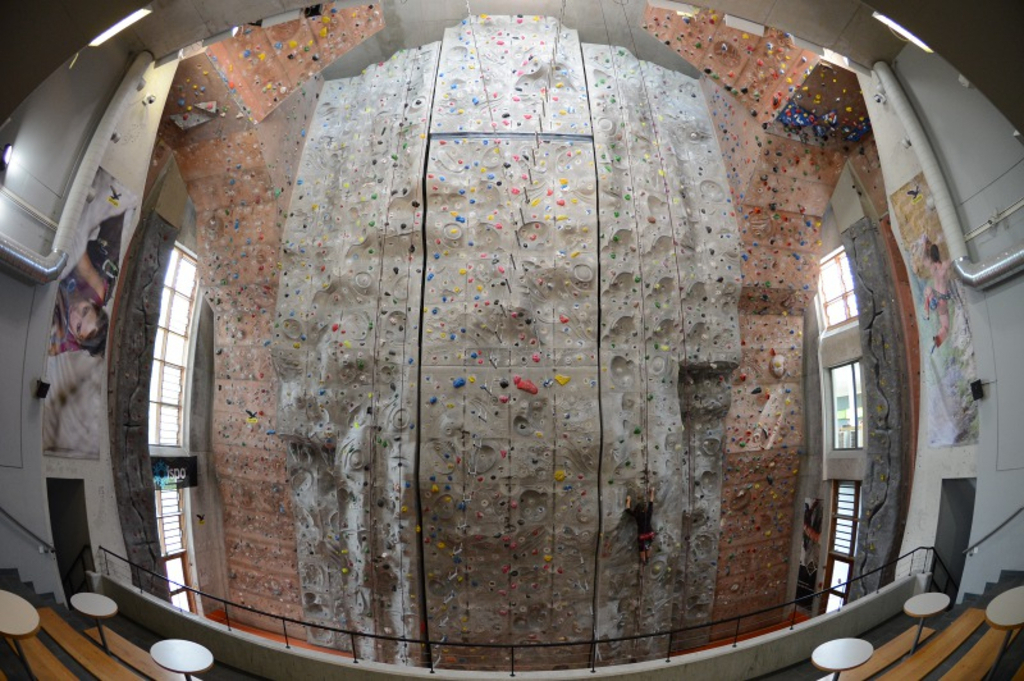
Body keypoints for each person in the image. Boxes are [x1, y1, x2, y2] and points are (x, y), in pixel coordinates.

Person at [626, 487, 655, 566]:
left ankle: (644, 560)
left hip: (642, 535)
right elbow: (651, 501)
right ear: (645, 508)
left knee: (642, 548)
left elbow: (628, 509)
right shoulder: (649, 512)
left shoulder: (637, 515)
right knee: (648, 546)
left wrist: (628, 500)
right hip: (650, 533)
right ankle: (648, 558)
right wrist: (652, 491)